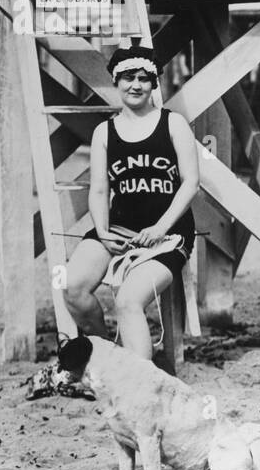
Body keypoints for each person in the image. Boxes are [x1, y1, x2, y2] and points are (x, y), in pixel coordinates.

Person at [62, 42, 199, 368]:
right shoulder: (104, 132)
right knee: (73, 288)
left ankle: (141, 383)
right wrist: (105, 232)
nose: (135, 85)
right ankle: (106, 355)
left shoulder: (173, 124)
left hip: (169, 233)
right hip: (121, 227)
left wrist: (160, 229)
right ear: (116, 81)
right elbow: (98, 190)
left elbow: (191, 183)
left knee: (127, 300)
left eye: (142, 78)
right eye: (127, 77)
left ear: (154, 84)